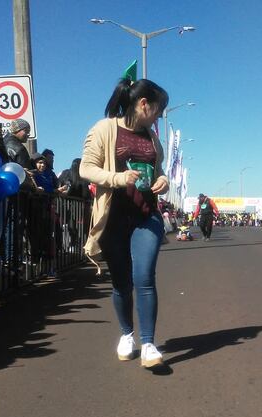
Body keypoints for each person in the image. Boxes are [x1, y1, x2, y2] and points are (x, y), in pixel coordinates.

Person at [79, 77, 169, 368]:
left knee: (144, 277)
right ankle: (127, 334)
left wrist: (163, 181)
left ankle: (148, 344)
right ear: (144, 104)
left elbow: (158, 171)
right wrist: (117, 179)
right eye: (158, 109)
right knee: (121, 283)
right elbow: (86, 168)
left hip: (146, 216)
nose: (160, 116)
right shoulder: (104, 128)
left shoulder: (153, 139)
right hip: (113, 217)